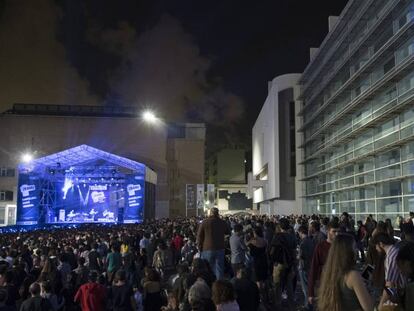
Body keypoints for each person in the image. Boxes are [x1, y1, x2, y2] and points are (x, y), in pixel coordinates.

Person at [317, 234, 374, 311]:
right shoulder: (353, 276)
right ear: (347, 252)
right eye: (354, 247)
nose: (356, 250)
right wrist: (367, 287)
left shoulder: (327, 272)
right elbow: (369, 308)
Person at [307, 220, 340, 307]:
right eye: (334, 231)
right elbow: (313, 269)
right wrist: (310, 292)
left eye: (338, 231)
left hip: (339, 285)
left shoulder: (341, 246)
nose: (336, 234)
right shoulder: (321, 247)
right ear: (328, 231)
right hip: (324, 284)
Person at [371, 232, 407, 309]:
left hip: (401, 294)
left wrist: (381, 305)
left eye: (376, 246)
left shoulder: (391, 256)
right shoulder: (394, 251)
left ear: (381, 244)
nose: (376, 249)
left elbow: (390, 284)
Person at [197, 208, 230, 280]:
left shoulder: (204, 222)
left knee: (208, 268)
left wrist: (199, 247)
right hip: (220, 248)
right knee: (219, 269)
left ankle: (209, 285)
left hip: (207, 248)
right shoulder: (222, 222)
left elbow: (199, 236)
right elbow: (228, 232)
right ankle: (218, 287)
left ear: (210, 213)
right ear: (217, 213)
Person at [297, 225, 315, 310]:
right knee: (309, 287)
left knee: (305, 289)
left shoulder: (303, 243)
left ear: (301, 232)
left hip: (303, 267)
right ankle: (309, 305)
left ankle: (308, 306)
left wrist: (297, 255)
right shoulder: (311, 241)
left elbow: (301, 256)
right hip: (310, 266)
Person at [247, 227, 268, 296]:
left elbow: (247, 248)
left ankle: (260, 295)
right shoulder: (265, 240)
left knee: (258, 279)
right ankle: (265, 294)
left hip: (256, 260)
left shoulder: (252, 241)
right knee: (264, 278)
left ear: (255, 233)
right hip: (264, 260)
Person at [395, 241, 414, 310]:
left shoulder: (411, 288)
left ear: (407, 263)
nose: (401, 272)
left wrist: (399, 301)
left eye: (400, 267)